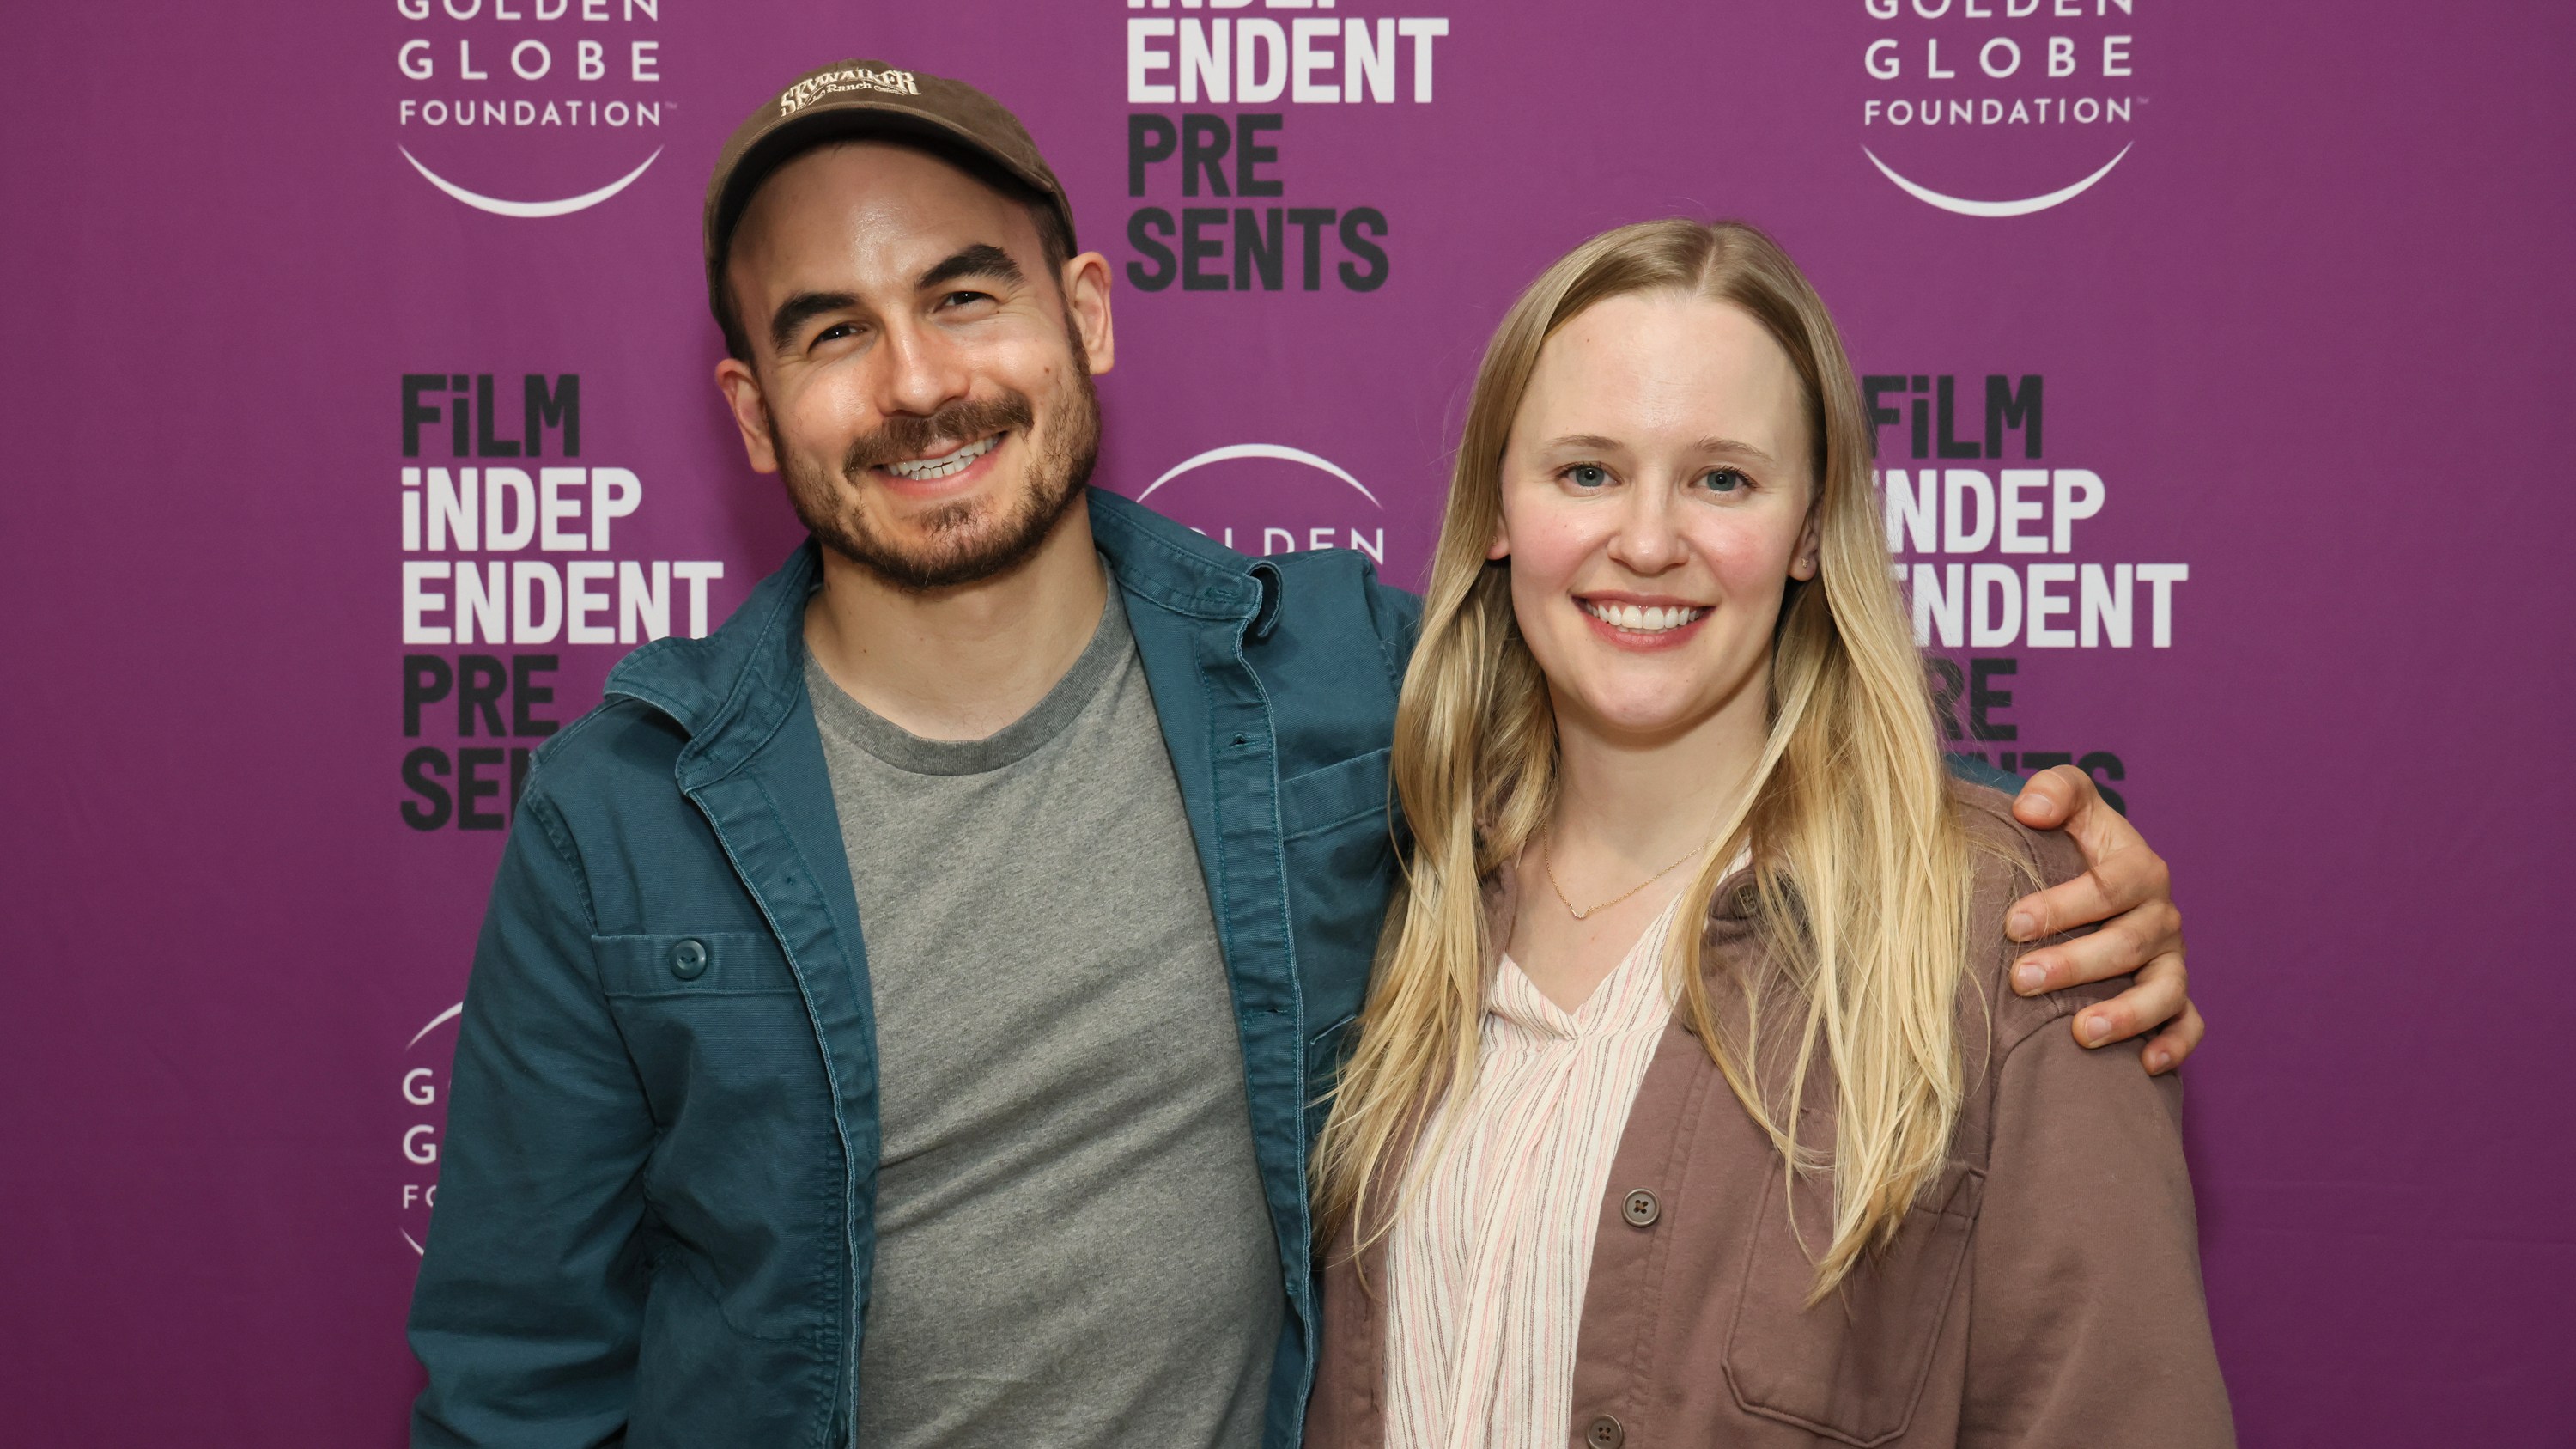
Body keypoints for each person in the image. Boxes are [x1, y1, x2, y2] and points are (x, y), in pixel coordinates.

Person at [406, 60, 2204, 1449]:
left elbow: (1673, 694)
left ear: (1084, 313)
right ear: (750, 410)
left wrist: (2032, 894)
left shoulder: (1342, 680)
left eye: (966, 296)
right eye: (829, 333)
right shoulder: (619, 820)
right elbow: (519, 1381)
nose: (917, 383)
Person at [1304, 220, 2233, 1449]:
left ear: (1809, 529)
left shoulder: (2012, 932)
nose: (1646, 539)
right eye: (1586, 472)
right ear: (1498, 513)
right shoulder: (1377, 898)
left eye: (1722, 479)